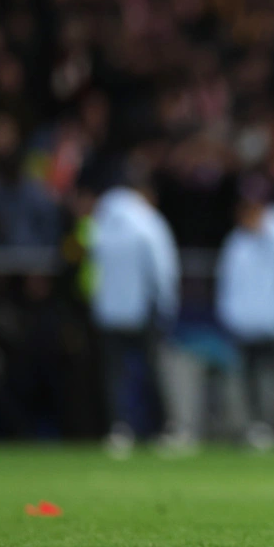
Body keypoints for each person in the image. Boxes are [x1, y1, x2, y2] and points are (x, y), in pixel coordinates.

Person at [89, 163, 180, 455]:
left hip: (108, 310)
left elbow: (92, 266)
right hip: (144, 308)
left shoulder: (100, 220)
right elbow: (163, 268)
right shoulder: (148, 221)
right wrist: (166, 304)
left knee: (115, 374)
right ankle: (169, 429)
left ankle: (120, 429)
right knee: (155, 371)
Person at [215, 174, 274, 450]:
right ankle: (248, 429)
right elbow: (227, 283)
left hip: (273, 324)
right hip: (242, 325)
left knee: (269, 379)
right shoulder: (237, 242)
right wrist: (229, 315)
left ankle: (268, 428)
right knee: (242, 379)